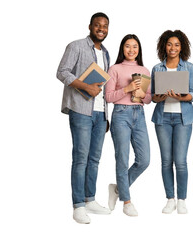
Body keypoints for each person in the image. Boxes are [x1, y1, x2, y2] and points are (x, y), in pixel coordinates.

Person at [56, 12, 111, 224]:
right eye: (98, 25)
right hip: (80, 110)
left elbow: (103, 86)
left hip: (100, 113)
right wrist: (85, 85)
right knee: (81, 158)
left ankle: (90, 199)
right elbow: (62, 72)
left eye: (105, 26)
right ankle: (78, 205)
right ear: (90, 26)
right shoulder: (76, 46)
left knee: (94, 159)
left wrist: (106, 115)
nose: (101, 29)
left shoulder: (105, 53)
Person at [151, 30, 193, 214]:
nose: (173, 48)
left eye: (177, 44)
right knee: (165, 161)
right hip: (162, 119)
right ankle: (170, 199)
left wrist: (183, 96)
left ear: (182, 47)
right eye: (169, 44)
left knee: (181, 161)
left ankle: (182, 199)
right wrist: (161, 96)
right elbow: (153, 97)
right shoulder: (157, 68)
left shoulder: (189, 67)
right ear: (164, 46)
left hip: (182, 119)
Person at [105, 34, 151, 217]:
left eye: (135, 47)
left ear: (139, 49)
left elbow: (148, 99)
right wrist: (127, 89)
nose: (131, 50)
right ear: (122, 49)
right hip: (121, 115)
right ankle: (127, 201)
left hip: (139, 115)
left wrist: (140, 93)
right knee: (122, 159)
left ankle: (117, 189)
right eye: (127, 46)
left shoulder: (145, 70)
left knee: (144, 160)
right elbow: (108, 97)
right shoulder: (114, 69)